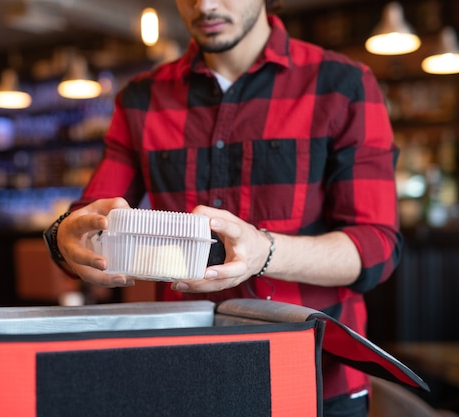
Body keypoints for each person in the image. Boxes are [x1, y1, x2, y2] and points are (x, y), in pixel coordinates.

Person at [43, 0, 402, 416]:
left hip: (313, 371)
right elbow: (89, 217)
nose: (206, 5)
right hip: (182, 370)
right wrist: (65, 237)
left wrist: (264, 252)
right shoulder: (141, 98)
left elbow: (376, 246)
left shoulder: (344, 84)